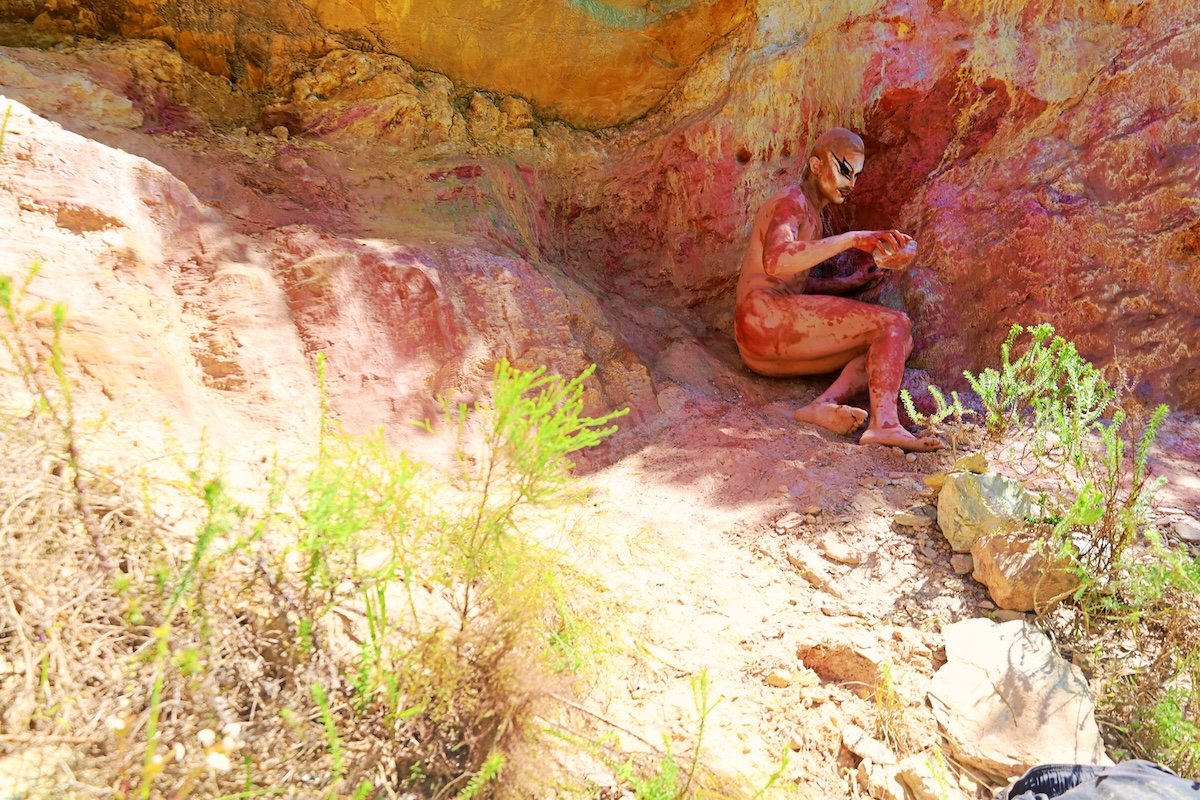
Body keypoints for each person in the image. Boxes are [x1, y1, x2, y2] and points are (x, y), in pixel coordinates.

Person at [734, 127, 941, 452]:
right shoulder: (791, 201)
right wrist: (853, 239)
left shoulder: (812, 214)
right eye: (845, 170)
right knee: (895, 323)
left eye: (856, 175)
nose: (851, 184)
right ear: (816, 165)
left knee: (898, 342)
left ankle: (821, 406)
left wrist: (847, 283)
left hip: (765, 344)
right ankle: (885, 424)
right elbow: (776, 260)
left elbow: (791, 281)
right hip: (761, 316)